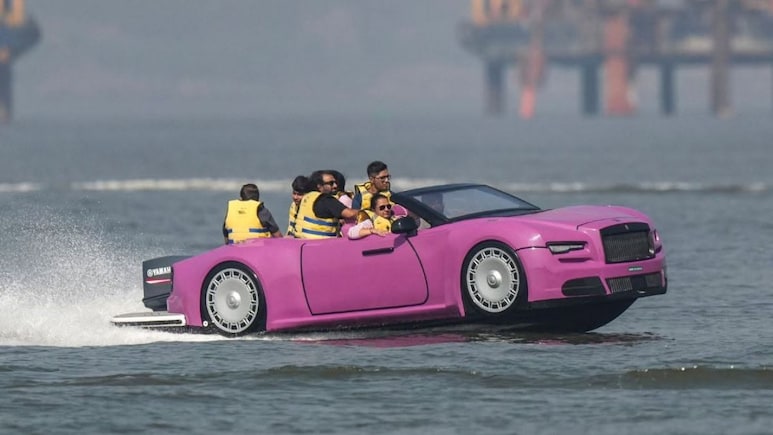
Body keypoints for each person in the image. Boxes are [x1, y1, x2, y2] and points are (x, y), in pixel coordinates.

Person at [294, 170, 360, 239]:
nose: (335, 186)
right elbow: (350, 214)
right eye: (331, 183)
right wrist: (368, 212)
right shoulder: (326, 200)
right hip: (320, 243)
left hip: (302, 240)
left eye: (335, 183)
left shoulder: (307, 197)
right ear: (319, 186)